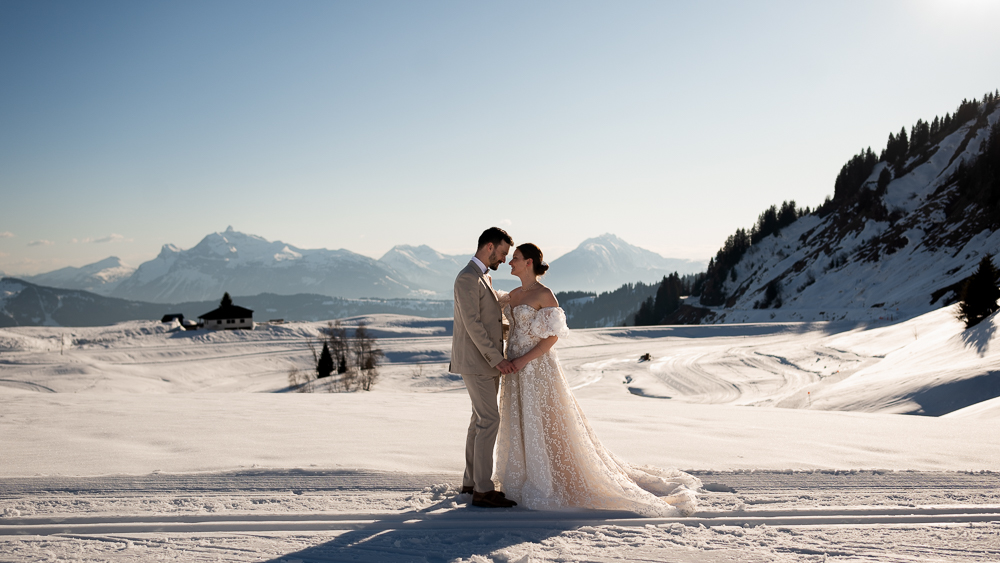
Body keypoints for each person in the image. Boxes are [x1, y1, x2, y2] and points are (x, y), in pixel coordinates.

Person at [494, 243, 701, 516]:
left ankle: (547, 477)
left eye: (516, 259)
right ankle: (522, 474)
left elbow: (552, 338)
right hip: (514, 370)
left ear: (529, 262)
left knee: (545, 419)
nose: (510, 262)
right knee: (521, 419)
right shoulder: (512, 295)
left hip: (536, 367)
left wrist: (522, 360)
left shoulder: (544, 294)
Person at [450, 227, 518, 509]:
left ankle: (471, 482)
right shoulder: (467, 278)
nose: (503, 260)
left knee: (479, 421)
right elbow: (473, 326)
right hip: (478, 362)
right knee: (489, 421)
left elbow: (488, 321)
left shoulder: (481, 277)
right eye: (502, 253)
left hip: (484, 362)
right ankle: (483, 490)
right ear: (489, 247)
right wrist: (497, 358)